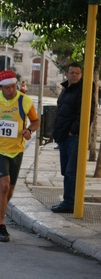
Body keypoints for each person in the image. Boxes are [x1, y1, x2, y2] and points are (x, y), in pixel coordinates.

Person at [0, 69, 39, 242]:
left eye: (13, 86)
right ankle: (1, 227)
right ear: (0, 87)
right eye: (7, 87)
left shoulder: (24, 101)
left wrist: (29, 130)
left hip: (16, 150)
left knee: (9, 191)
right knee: (3, 186)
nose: (11, 90)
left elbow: (36, 120)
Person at [51, 62, 95, 213]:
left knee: (71, 172)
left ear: (81, 74)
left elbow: (87, 113)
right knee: (66, 171)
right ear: (67, 74)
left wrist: (73, 131)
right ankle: (68, 200)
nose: (74, 75)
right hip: (63, 136)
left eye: (77, 73)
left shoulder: (85, 89)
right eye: (72, 72)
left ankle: (70, 203)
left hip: (73, 138)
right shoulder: (66, 89)